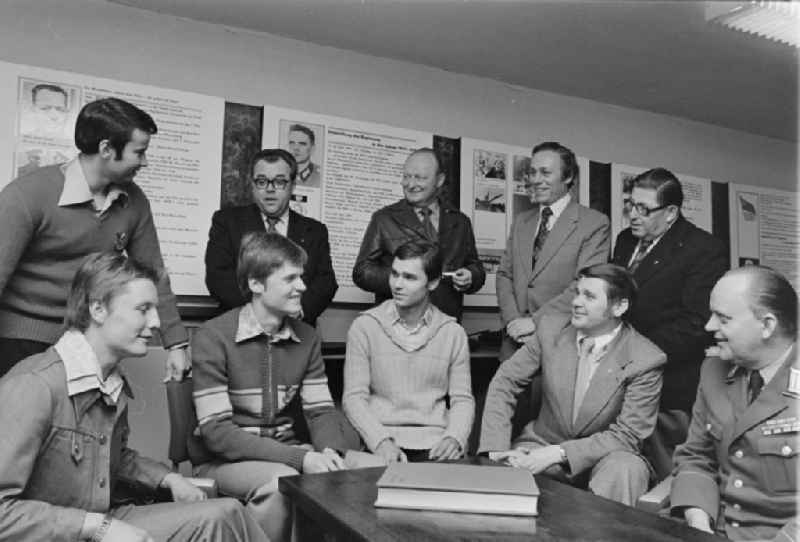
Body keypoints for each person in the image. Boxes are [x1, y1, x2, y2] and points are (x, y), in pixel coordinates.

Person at [0, 252, 267, 542]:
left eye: (155, 309)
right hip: (70, 532)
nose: (155, 322)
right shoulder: (32, 386)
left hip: (102, 519)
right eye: (143, 309)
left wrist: (167, 478)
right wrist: (95, 527)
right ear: (98, 309)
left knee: (226, 513)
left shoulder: (109, 381)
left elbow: (113, 459)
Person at [0, 97, 189, 380]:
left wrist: (176, 343)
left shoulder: (134, 201)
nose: (145, 162)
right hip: (18, 342)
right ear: (106, 149)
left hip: (86, 341)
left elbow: (154, 274)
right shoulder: (27, 195)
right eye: (139, 152)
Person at [192, 231, 359, 541]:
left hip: (288, 454)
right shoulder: (212, 337)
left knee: (356, 472)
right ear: (256, 284)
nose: (303, 287)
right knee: (285, 480)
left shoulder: (307, 337)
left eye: (302, 277)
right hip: (225, 462)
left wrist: (329, 454)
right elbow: (217, 434)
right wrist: (300, 459)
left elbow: (321, 412)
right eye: (290, 279)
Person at [480, 263, 665, 506]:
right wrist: (495, 449)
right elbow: (506, 382)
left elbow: (628, 435)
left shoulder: (646, 358)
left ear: (619, 306)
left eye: (589, 296)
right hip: (540, 443)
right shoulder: (550, 329)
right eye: (577, 292)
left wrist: (559, 453)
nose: (576, 302)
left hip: (607, 457)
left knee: (625, 468)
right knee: (508, 476)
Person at [612, 167, 728, 480]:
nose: (633, 215)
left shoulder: (704, 249)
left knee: (666, 481)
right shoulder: (625, 241)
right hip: (617, 380)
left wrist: (633, 352)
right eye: (630, 205)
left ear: (671, 212)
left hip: (670, 386)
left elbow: (696, 323)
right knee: (621, 468)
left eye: (643, 209)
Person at [671, 266, 798, 542]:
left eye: (723, 318)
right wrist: (698, 524)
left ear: (767, 325)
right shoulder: (713, 370)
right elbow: (696, 457)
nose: (708, 326)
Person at [343, 241, 475, 463]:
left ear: (432, 283)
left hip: (437, 444)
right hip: (382, 443)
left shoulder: (453, 333)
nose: (397, 284)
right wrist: (380, 442)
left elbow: (462, 399)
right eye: (395, 274)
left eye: (410, 277)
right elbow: (354, 398)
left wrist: (454, 438)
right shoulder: (365, 326)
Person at [497, 141, 610, 360]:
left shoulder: (594, 223)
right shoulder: (521, 221)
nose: (536, 180)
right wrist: (513, 321)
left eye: (545, 172)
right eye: (532, 172)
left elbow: (585, 284)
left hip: (561, 347)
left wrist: (535, 322)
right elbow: (504, 275)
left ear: (568, 177)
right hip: (514, 347)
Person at [205, 148, 337, 325]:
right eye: (261, 181)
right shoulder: (227, 222)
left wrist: (296, 313)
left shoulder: (315, 230)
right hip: (241, 328)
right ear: (252, 184)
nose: (270, 189)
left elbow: (326, 282)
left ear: (293, 184)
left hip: (297, 331)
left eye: (280, 182)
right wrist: (260, 315)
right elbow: (218, 277)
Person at [353, 147, 485, 320]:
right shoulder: (384, 218)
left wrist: (471, 276)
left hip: (445, 325)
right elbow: (362, 272)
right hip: (396, 325)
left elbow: (475, 267)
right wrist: (407, 278)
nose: (410, 184)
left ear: (439, 180)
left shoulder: (460, 222)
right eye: (406, 176)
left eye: (420, 178)